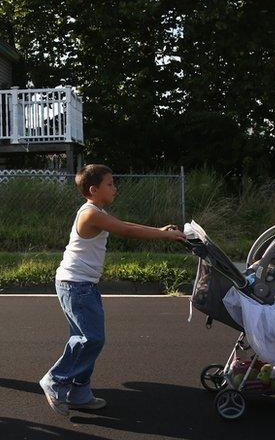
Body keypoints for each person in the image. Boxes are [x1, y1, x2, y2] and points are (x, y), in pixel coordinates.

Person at [39, 164, 186, 416]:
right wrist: (163, 236)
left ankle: (79, 392)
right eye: (110, 184)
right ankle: (56, 379)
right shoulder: (90, 213)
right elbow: (127, 230)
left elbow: (122, 223)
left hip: (82, 285)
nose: (115, 188)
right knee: (91, 339)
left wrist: (159, 230)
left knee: (84, 338)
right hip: (75, 285)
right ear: (93, 190)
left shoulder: (97, 211)